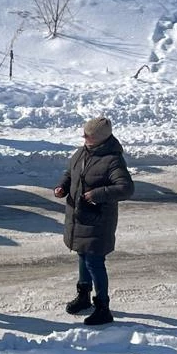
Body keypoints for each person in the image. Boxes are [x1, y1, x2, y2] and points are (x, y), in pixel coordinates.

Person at [54, 117, 135, 326]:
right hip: (79, 217)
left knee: (94, 262)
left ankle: (103, 308)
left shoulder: (113, 160)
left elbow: (126, 188)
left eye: (88, 135)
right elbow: (70, 173)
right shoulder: (82, 152)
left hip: (98, 220)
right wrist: (62, 186)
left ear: (100, 138)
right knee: (83, 256)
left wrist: (97, 194)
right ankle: (84, 296)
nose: (84, 136)